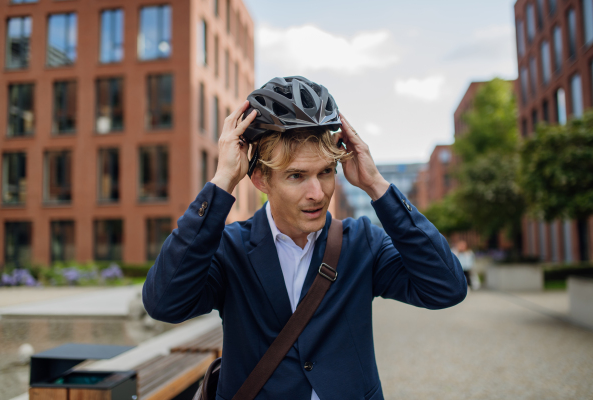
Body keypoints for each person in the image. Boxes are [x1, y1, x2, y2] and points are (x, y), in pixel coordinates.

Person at [142, 76, 467, 400]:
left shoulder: (361, 242)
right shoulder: (231, 247)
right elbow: (165, 303)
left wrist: (376, 186)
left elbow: (445, 287)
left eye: (325, 172)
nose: (317, 193)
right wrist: (222, 182)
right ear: (260, 179)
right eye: (296, 176)